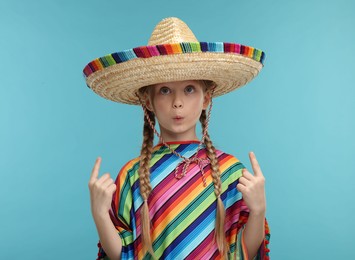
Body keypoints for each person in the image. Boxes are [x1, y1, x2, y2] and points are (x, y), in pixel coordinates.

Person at [83, 17, 270, 260]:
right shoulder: (132, 175)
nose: (177, 102)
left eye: (189, 89)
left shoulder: (230, 172)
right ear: (148, 102)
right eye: (165, 90)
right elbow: (123, 254)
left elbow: (245, 251)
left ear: (206, 98)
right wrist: (99, 214)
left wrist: (258, 210)